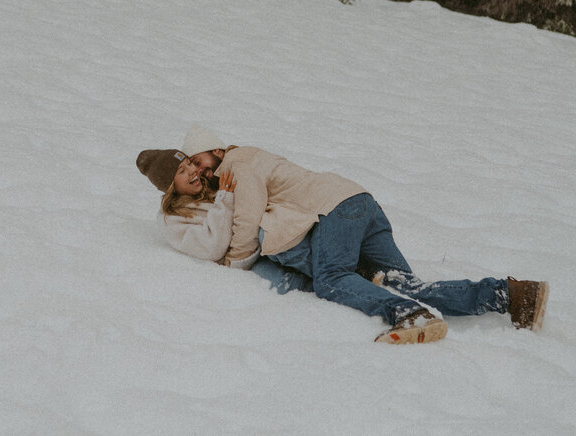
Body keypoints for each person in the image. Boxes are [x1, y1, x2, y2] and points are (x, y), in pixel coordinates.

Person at [180, 124, 549, 345]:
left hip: (335, 211)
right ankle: (512, 295)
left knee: (331, 280)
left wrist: (233, 262)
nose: (201, 170)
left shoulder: (238, 163)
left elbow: (247, 219)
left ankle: (409, 315)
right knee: (404, 282)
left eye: (199, 161)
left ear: (215, 150)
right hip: (359, 202)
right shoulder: (249, 158)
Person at [136, 148, 314, 294]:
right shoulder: (173, 220)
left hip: (254, 242)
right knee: (284, 286)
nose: (193, 171)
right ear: (170, 187)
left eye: (189, 164)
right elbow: (212, 247)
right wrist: (225, 200)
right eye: (182, 171)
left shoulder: (208, 188)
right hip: (241, 263)